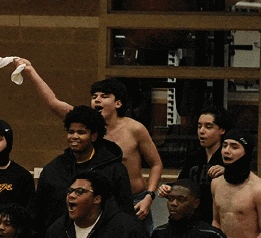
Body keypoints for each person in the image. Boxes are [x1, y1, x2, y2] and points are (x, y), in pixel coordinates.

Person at [15, 65, 163, 227]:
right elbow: (53, 103)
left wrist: (149, 197)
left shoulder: (135, 129)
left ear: (118, 103)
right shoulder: (84, 124)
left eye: (104, 96)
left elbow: (156, 164)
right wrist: (30, 71)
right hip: (100, 201)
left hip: (136, 200)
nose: (97, 99)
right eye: (94, 97)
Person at [33, 106, 134, 234]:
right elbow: (38, 213)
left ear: (94, 136)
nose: (74, 137)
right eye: (71, 132)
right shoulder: (52, 170)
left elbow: (125, 213)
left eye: (81, 132)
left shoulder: (114, 170)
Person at [161, 105, 229, 224]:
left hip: (219, 220)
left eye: (208, 127)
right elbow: (183, 183)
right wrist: (168, 188)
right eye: (199, 126)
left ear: (221, 130)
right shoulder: (194, 156)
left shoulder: (228, 157)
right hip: (193, 220)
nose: (201, 131)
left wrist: (228, 171)